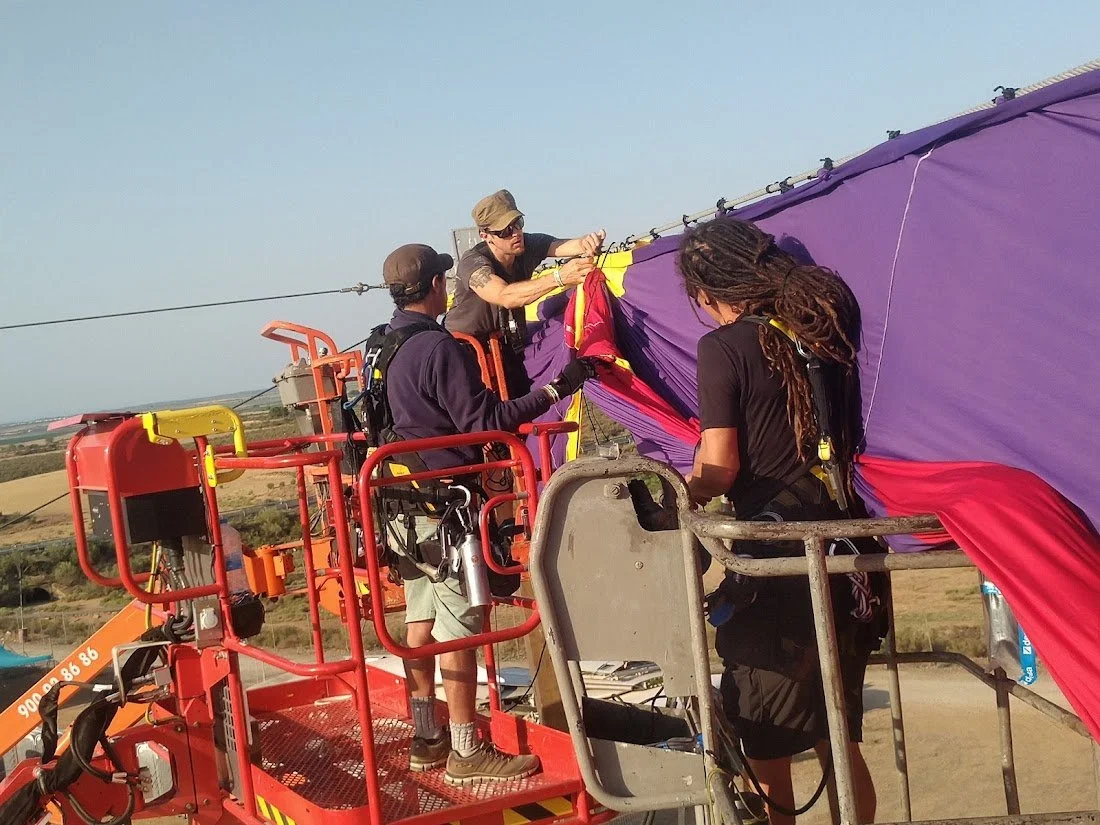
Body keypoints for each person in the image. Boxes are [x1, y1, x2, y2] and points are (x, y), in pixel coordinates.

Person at [677, 217, 880, 825]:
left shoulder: (725, 347)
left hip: (776, 564)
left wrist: (679, 494)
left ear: (710, 291)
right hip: (845, 555)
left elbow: (719, 466)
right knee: (836, 741)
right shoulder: (819, 330)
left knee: (767, 740)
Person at [378, 243, 596, 786]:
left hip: (404, 505)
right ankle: (464, 748)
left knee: (422, 623)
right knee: (460, 629)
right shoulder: (440, 348)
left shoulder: (382, 348)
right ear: (434, 287)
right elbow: (487, 420)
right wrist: (556, 388)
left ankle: (427, 737)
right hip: (447, 504)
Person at [445, 189, 605, 396]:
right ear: (485, 236)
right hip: (469, 355)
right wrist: (560, 277)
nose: (515, 233)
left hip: (506, 347)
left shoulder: (526, 244)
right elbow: (505, 296)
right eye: (505, 230)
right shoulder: (473, 262)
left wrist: (588, 242)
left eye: (517, 223)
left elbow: (566, 245)